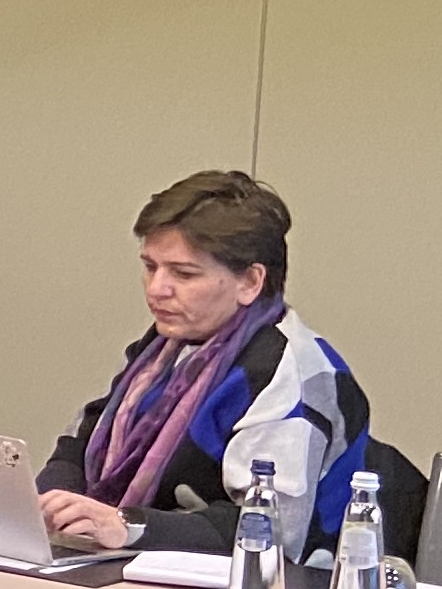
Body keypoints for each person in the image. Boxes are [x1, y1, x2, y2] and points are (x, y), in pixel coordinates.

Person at [37, 169, 373, 555]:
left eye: (183, 273)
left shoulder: (288, 370)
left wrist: (126, 525)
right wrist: (52, 501)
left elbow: (263, 527)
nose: (156, 289)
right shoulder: (164, 347)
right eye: (150, 267)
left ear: (250, 282)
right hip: (146, 565)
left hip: (281, 585)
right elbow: (84, 439)